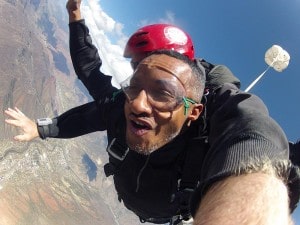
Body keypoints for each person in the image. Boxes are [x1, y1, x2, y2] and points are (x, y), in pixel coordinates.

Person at [4, 1, 299, 225]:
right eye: (135, 83)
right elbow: (90, 72)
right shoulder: (123, 104)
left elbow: (250, 128)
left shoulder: (206, 137)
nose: (139, 104)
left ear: (193, 111)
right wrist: (40, 128)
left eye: (163, 91)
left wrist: (260, 184)